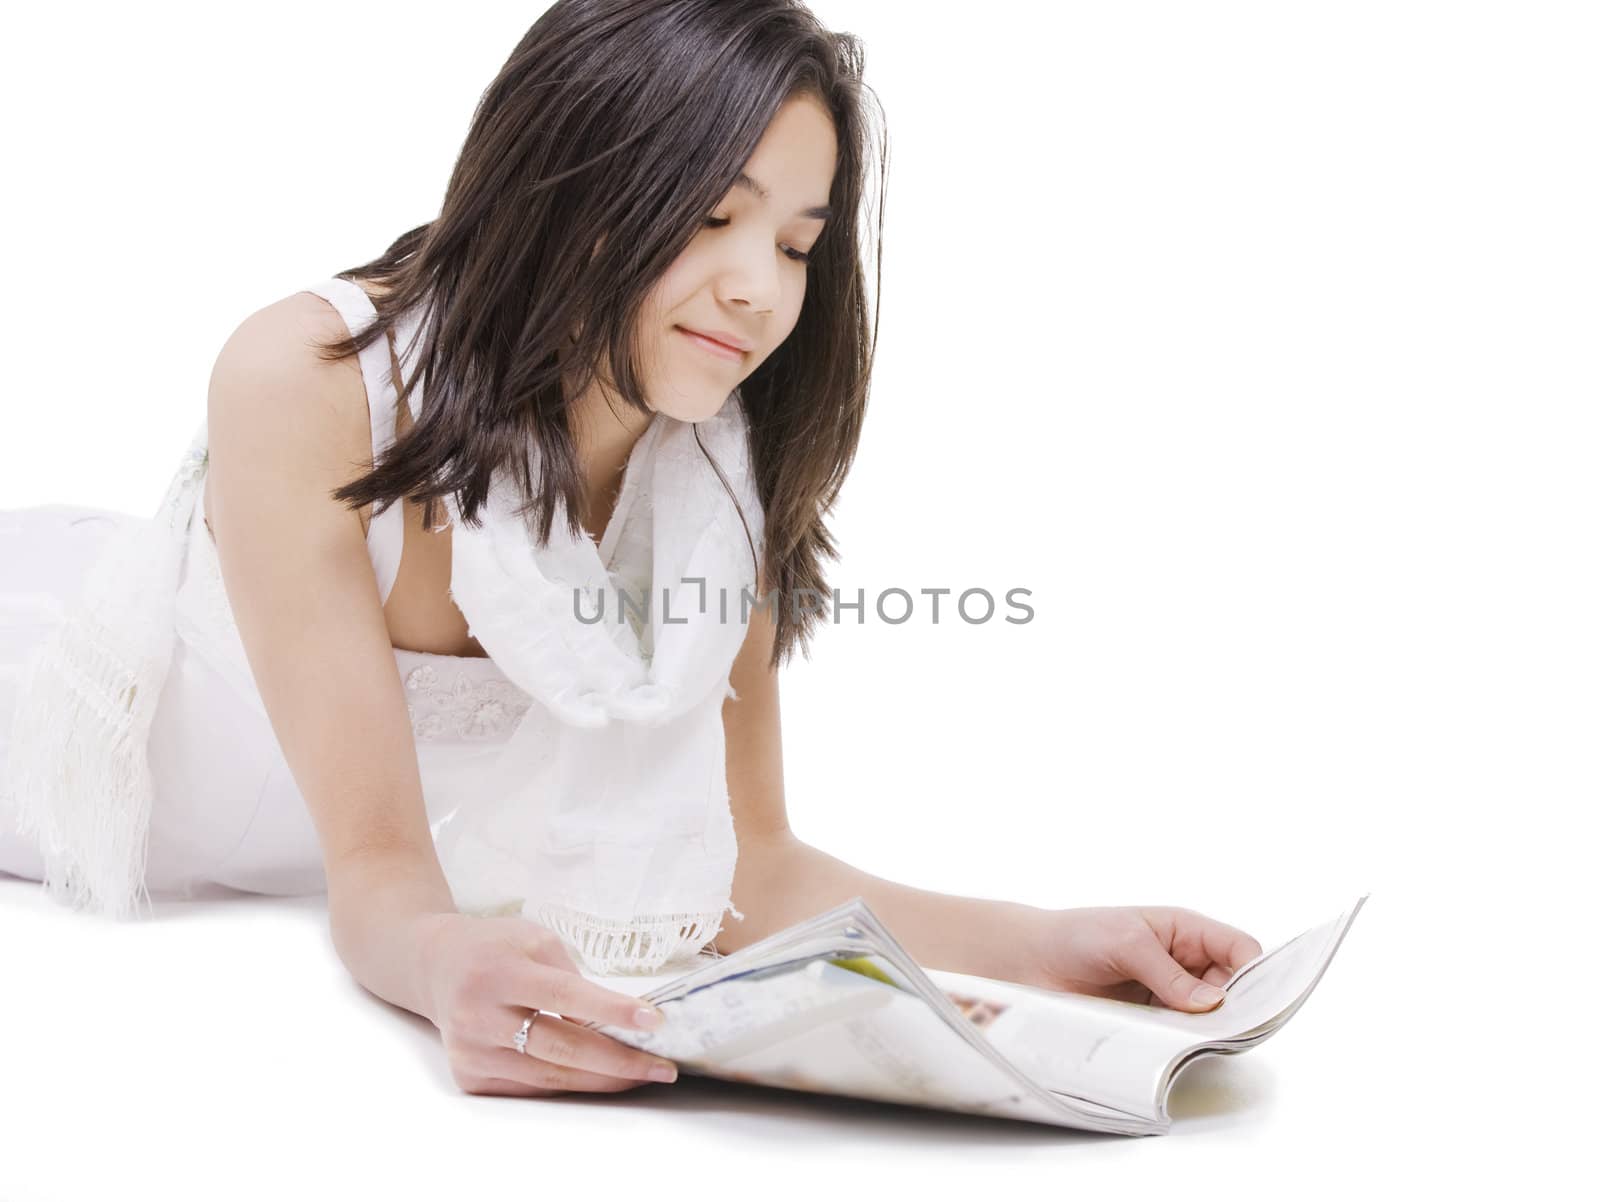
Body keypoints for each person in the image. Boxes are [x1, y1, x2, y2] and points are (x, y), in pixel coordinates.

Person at [0, 0, 1262, 1101]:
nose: (760, 290)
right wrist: (440, 963)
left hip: (258, 857)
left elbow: (751, 862)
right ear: (570, 181)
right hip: (42, 699)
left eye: (795, 244)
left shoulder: (710, 472)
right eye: (712, 214)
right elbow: (382, 869)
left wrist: (1045, 944)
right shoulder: (309, 378)